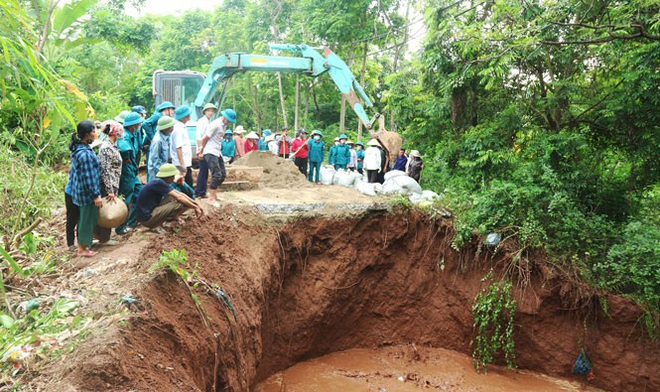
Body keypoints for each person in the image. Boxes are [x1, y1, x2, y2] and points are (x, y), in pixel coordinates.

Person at [69, 121, 103, 257]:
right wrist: (96, 195)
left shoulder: (79, 148)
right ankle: (83, 248)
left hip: (79, 191)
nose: (96, 134)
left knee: (83, 218)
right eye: (94, 131)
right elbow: (89, 177)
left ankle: (83, 244)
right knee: (86, 219)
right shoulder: (86, 155)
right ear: (87, 134)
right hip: (87, 193)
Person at [136, 164, 203, 231]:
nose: (174, 178)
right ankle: (159, 224)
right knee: (181, 203)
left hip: (151, 212)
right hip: (147, 219)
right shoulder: (158, 183)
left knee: (172, 197)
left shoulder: (159, 182)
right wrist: (194, 207)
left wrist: (196, 204)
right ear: (168, 177)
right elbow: (179, 197)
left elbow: (180, 194)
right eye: (173, 176)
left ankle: (171, 218)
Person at [198, 108, 237, 205]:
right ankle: (211, 198)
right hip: (210, 151)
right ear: (225, 118)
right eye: (229, 121)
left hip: (217, 152)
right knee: (217, 174)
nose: (229, 123)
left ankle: (214, 194)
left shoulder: (223, 125)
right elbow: (204, 138)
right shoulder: (215, 124)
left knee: (222, 174)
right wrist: (201, 151)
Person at [94, 121, 124, 246]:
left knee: (108, 210)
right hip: (107, 184)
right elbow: (105, 170)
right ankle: (103, 239)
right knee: (106, 211)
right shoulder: (106, 148)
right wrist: (110, 190)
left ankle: (103, 237)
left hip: (112, 182)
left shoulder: (112, 146)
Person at [116, 112, 144, 234]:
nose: (138, 126)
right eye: (137, 124)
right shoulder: (125, 136)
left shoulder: (134, 134)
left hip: (133, 171)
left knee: (139, 194)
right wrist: (126, 158)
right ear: (133, 125)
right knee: (126, 198)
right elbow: (123, 148)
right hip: (127, 171)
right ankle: (120, 227)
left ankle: (132, 222)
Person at [195, 103, 217, 198]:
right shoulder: (202, 122)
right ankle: (200, 191)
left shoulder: (208, 122)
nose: (211, 113)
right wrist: (201, 150)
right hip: (203, 149)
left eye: (212, 111)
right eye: (209, 111)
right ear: (205, 112)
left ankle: (201, 191)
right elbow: (199, 136)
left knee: (204, 170)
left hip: (206, 149)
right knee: (203, 171)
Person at [147, 116, 175, 182]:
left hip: (163, 169)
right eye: (171, 126)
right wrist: (163, 173)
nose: (173, 128)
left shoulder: (167, 136)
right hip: (156, 172)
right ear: (166, 128)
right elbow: (155, 160)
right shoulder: (158, 141)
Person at [171, 106, 193, 187]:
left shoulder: (181, 127)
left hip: (184, 162)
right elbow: (178, 148)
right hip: (181, 163)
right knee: (185, 184)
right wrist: (183, 165)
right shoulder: (178, 129)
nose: (189, 117)